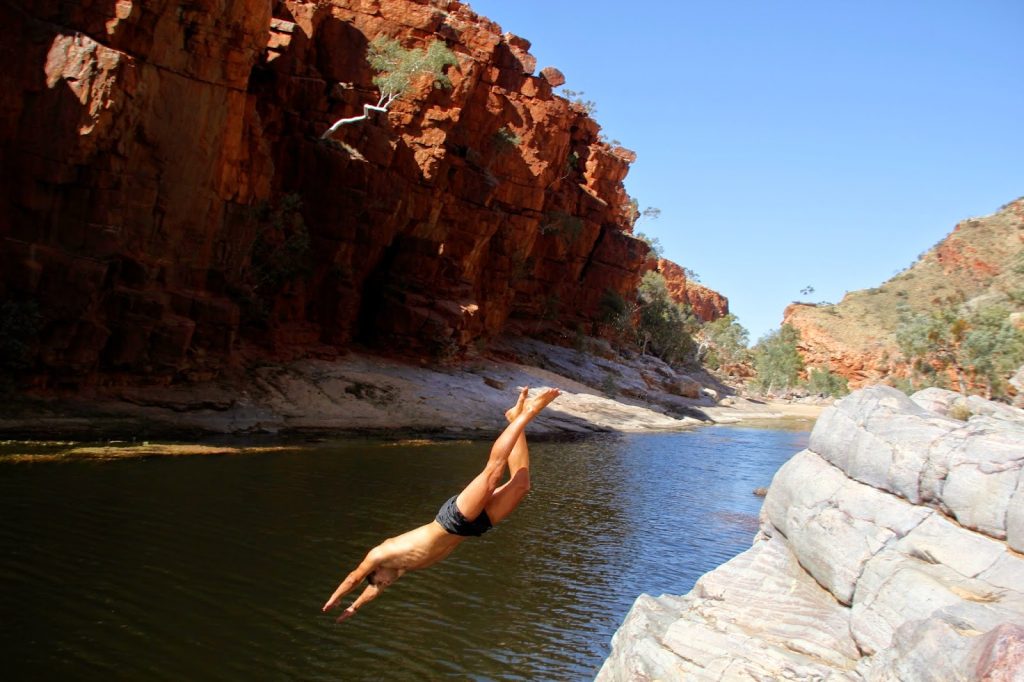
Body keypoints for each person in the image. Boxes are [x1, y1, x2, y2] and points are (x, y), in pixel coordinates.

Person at [322, 386, 561, 623]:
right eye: (384, 585)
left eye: (381, 581)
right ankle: (515, 419)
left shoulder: (380, 554)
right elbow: (373, 590)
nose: (385, 584)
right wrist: (354, 607)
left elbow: (354, 578)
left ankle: (528, 413)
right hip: (471, 528)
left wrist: (336, 598)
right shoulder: (401, 569)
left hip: (453, 519)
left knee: (493, 472)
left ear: (376, 572)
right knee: (521, 484)